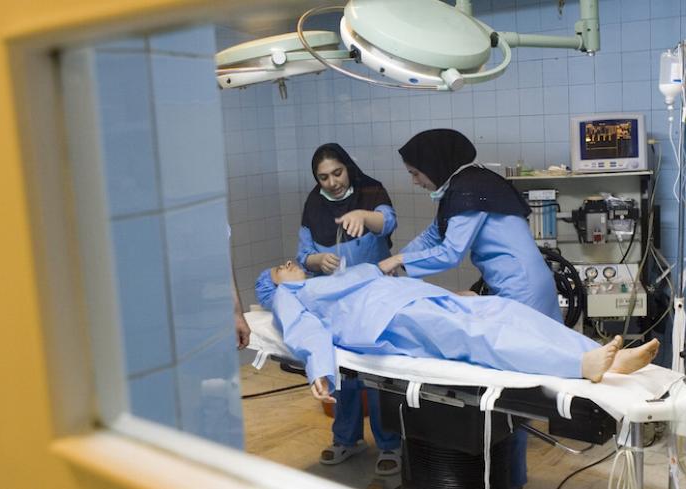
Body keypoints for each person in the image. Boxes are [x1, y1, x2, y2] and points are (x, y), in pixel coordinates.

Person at [377, 129, 559, 488]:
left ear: (433, 164)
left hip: (522, 292)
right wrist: (394, 263)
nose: (414, 180)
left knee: (513, 394)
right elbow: (434, 236)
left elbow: (449, 252)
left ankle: (510, 479)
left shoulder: (470, 190)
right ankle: (509, 476)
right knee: (512, 391)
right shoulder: (465, 187)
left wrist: (398, 261)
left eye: (415, 172)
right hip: (518, 287)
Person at [254, 262, 660, 403]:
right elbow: (306, 333)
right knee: (479, 337)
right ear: (272, 286)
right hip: (391, 323)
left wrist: (446, 293)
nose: (288, 264)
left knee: (503, 308)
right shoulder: (289, 297)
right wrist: (320, 369)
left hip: (415, 299)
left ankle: (604, 354)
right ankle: (578, 364)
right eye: (279, 267)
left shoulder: (325, 281)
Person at [295, 143, 401, 474]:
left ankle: (391, 444)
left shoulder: (370, 190)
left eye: (337, 173)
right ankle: (346, 439)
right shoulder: (314, 204)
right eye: (323, 177)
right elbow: (302, 254)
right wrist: (315, 259)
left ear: (348, 167)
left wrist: (362, 216)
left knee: (378, 373)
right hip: (337, 303)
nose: (332, 182)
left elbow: (387, 222)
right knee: (344, 374)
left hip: (375, 298)